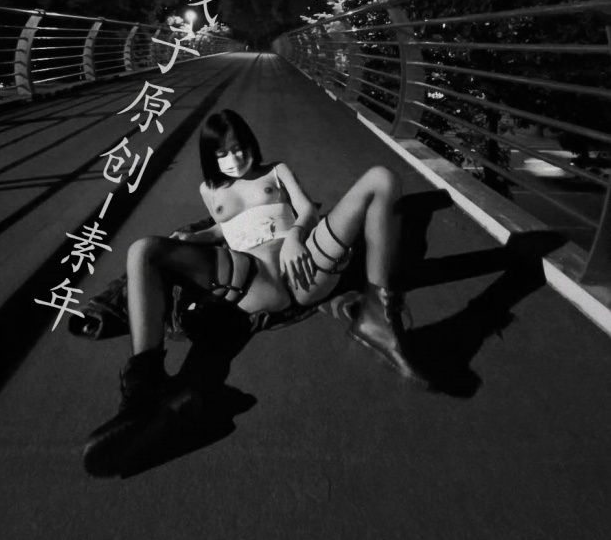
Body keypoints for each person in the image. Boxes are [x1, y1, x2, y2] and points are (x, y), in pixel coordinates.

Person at [83, 109, 426, 475]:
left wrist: (295, 236)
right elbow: (224, 228)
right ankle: (143, 391)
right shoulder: (209, 190)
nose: (235, 158)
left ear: (251, 144)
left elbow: (307, 209)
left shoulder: (276, 171)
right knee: (142, 250)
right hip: (253, 278)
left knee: (382, 178)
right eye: (223, 153)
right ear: (211, 157)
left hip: (306, 264)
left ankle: (377, 318)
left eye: (240, 148)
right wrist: (196, 237)